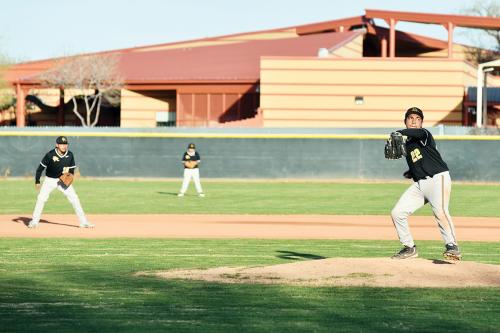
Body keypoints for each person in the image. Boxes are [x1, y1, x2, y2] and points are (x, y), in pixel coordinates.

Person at [390, 107, 460, 260]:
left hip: (438, 179)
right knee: (397, 213)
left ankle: (452, 245)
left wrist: (399, 132)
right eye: (410, 118)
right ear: (405, 121)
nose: (414, 121)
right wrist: (411, 172)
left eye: (417, 119)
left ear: (421, 122)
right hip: (421, 184)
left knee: (440, 212)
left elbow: (417, 133)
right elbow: (419, 160)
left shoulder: (424, 134)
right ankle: (409, 247)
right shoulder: (406, 144)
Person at [28, 136, 94, 228]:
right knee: (41, 199)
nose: (64, 146)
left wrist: (69, 177)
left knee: (74, 198)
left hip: (62, 181)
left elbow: (71, 170)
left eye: (65, 144)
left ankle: (84, 222)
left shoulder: (70, 155)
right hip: (49, 180)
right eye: (61, 144)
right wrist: (37, 181)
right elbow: (40, 169)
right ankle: (34, 222)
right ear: (57, 145)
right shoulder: (50, 155)